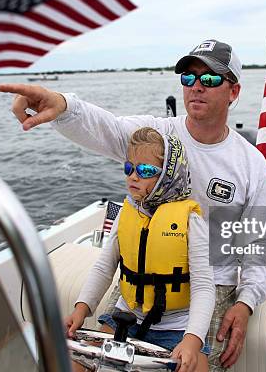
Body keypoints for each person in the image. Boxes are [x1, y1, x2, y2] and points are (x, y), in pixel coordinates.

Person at [0, 38, 266, 370]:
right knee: (87, 364)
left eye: (211, 79)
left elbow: (260, 243)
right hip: (142, 276)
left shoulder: (251, 164)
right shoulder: (158, 136)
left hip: (211, 283)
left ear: (233, 92)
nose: (196, 86)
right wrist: (63, 105)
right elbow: (111, 130)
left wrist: (245, 304)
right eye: (188, 78)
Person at [65, 127, 214, 372]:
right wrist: (80, 310)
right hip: (127, 318)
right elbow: (104, 267)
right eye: (129, 168)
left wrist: (192, 340)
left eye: (145, 171)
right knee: (73, 365)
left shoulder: (191, 222)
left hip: (176, 327)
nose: (133, 176)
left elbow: (204, 286)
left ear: (169, 175)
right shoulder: (126, 213)